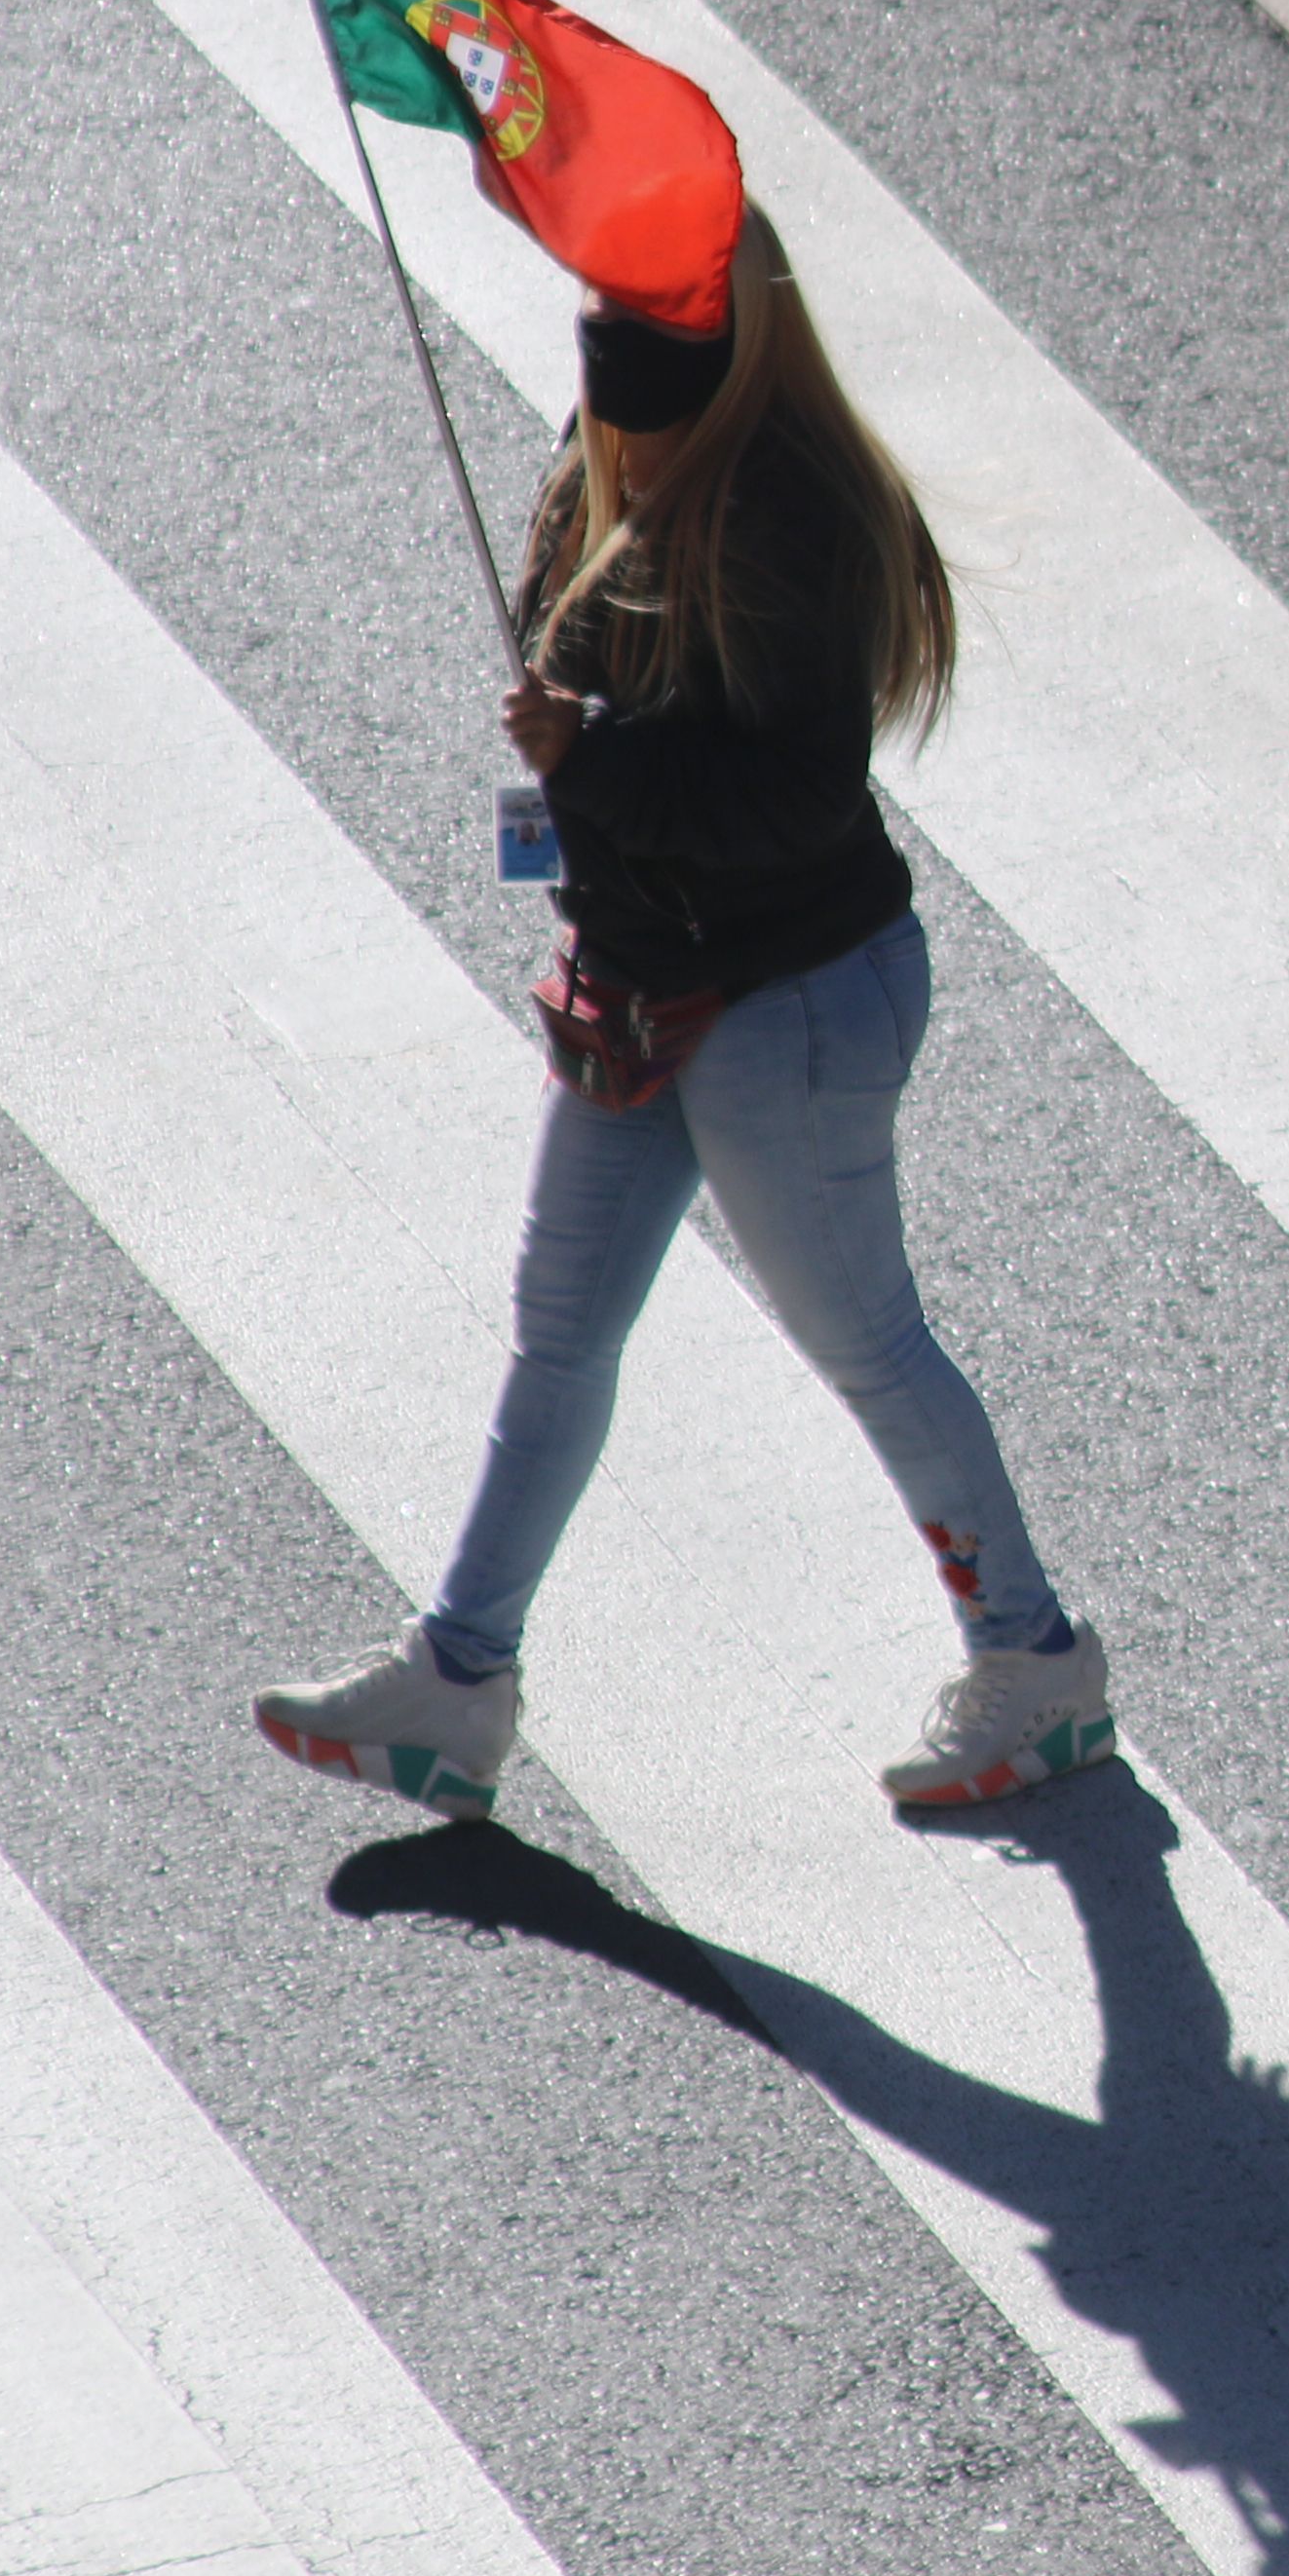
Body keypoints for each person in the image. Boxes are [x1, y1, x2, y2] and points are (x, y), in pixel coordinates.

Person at [249, 210, 1111, 1817]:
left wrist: (590, 761)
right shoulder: (610, 455)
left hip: (783, 1002)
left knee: (866, 1345)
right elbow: (580, 661)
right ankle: (458, 1675)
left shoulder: (785, 518)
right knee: (561, 1326)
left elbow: (791, 799)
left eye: (641, 342)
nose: (606, 382)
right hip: (646, 983)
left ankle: (1037, 1661)